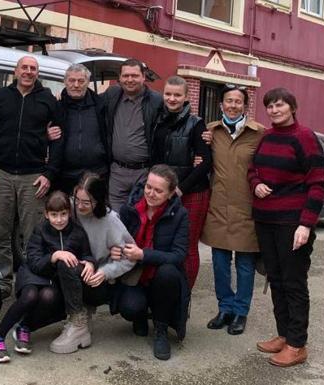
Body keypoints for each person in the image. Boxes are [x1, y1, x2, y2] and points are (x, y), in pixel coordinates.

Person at [248, 88, 324, 367]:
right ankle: (284, 335)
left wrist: (306, 224)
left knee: (294, 283)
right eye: (269, 106)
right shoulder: (267, 137)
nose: (273, 110)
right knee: (276, 280)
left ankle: (297, 344)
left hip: (292, 224)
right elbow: (252, 168)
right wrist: (255, 183)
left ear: (292, 107)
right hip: (266, 221)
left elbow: (318, 184)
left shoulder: (304, 138)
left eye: (279, 105)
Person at [0, 55, 64, 297]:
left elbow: (58, 140)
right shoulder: (1, 98)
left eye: (33, 68)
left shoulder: (47, 100)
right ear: (16, 71)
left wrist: (49, 174)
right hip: (0, 174)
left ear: (38, 73)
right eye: (24, 67)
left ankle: (30, 279)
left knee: (34, 233)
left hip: (33, 176)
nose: (28, 71)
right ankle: (3, 281)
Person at [0, 191, 96, 362]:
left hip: (54, 280)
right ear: (46, 214)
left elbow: (87, 254)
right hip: (33, 273)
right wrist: (55, 255)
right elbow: (34, 262)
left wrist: (90, 263)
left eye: (63, 214)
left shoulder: (78, 232)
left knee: (50, 297)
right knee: (30, 295)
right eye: (54, 215)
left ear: (69, 213)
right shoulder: (40, 230)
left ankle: (25, 327)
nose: (59, 219)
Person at [201, 84, 265, 336]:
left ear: (245, 106)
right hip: (218, 206)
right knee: (219, 263)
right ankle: (225, 308)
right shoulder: (210, 131)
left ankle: (241, 312)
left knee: (246, 265)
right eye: (229, 101)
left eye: (238, 101)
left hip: (247, 208)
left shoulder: (259, 133)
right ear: (221, 104)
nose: (233, 105)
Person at [114, 165, 189, 360]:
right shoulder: (129, 209)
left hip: (160, 277)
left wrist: (144, 255)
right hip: (134, 275)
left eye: (158, 190)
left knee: (169, 272)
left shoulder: (180, 215)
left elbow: (179, 255)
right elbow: (117, 241)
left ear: (171, 193)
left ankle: (161, 329)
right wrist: (115, 250)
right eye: (148, 187)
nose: (151, 193)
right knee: (130, 307)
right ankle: (140, 315)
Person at [149, 75, 211, 289]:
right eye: (168, 94)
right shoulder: (157, 119)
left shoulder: (197, 124)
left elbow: (205, 164)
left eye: (177, 95)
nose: (172, 99)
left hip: (192, 192)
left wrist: (181, 189)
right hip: (164, 192)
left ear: (186, 97)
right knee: (163, 242)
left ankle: (183, 298)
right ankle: (163, 294)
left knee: (187, 245)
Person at [104, 59, 163, 212]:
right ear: (119, 78)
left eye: (134, 76)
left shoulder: (156, 101)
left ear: (144, 77)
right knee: (115, 219)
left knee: (139, 218)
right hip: (117, 172)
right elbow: (89, 107)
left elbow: (175, 123)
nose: (130, 80)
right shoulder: (112, 95)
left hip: (144, 173)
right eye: (126, 76)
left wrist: (200, 134)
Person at [52, 64, 108, 195]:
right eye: (72, 80)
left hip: (96, 174)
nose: (76, 85)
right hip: (64, 175)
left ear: (88, 82)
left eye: (81, 81)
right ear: (65, 81)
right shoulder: (56, 105)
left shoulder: (100, 105)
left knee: (94, 212)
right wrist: (46, 134)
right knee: (66, 213)